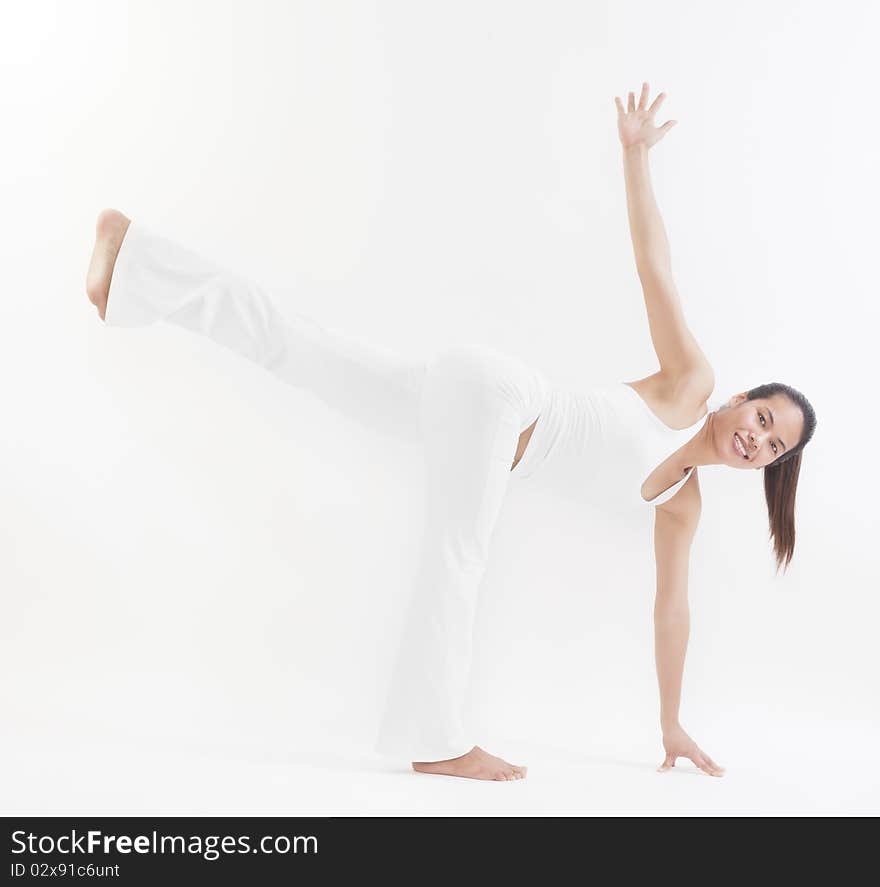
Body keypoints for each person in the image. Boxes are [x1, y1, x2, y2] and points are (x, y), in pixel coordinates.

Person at [84, 82, 816, 782]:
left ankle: (134, 261)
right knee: (460, 553)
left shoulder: (683, 503)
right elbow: (655, 267)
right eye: (762, 418)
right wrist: (634, 155)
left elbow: (671, 611)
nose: (757, 440)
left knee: (301, 351)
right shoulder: (689, 384)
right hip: (501, 399)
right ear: (740, 398)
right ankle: (437, 742)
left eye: (773, 446)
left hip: (464, 413)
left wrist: (671, 722)